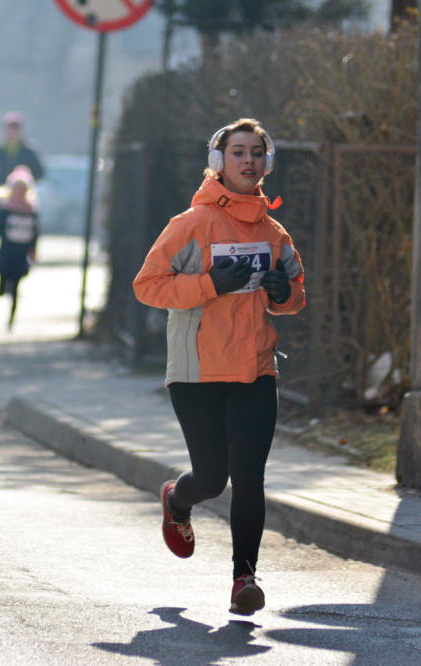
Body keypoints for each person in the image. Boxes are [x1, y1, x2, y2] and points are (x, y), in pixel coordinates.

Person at [132, 118, 305, 616]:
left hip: (255, 371)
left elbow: (295, 294)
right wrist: (209, 284)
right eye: (238, 152)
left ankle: (244, 578)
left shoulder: (274, 233)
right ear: (218, 161)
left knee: (249, 476)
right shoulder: (189, 225)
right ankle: (177, 499)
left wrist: (283, 295)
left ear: (266, 164)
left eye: (256, 153)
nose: (248, 160)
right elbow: (148, 286)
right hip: (197, 373)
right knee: (213, 479)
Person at [0, 165, 39, 331]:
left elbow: (35, 233)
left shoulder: (31, 211)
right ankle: (2, 289)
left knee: (15, 287)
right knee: (3, 282)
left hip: (20, 255)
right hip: (6, 251)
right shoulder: (6, 209)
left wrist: (33, 250)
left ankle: (11, 319)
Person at [0, 111, 44, 186]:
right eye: (10, 128)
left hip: (22, 191)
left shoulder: (29, 151)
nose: (13, 131)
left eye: (16, 128)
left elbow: (39, 173)